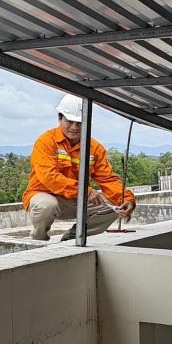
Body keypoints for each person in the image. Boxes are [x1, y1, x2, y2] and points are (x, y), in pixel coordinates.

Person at [22, 94, 136, 241]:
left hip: (76, 199)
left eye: (80, 123)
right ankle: (39, 238)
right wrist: (85, 191)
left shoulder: (94, 148)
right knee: (46, 205)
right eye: (70, 121)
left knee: (114, 207)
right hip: (45, 195)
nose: (75, 127)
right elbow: (49, 177)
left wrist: (126, 199)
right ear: (60, 119)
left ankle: (72, 237)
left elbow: (107, 179)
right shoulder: (46, 141)